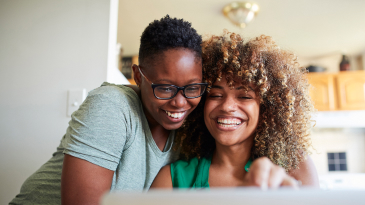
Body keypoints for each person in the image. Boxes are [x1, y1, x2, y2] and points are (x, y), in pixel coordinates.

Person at [10, 15, 207, 205]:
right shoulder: (111, 106)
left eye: (192, 88)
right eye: (165, 88)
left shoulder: (190, 130)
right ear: (138, 76)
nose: (180, 103)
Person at [150, 31, 319, 189]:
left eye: (244, 96)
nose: (226, 106)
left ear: (267, 108)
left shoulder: (295, 167)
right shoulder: (172, 180)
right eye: (215, 95)